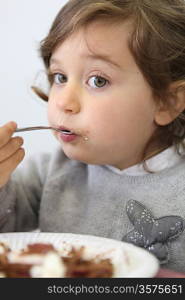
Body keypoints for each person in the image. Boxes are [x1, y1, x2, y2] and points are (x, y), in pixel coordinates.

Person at [0, 0, 185, 273]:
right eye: (60, 77)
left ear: (166, 103)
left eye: (98, 80)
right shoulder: (50, 171)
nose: (64, 102)